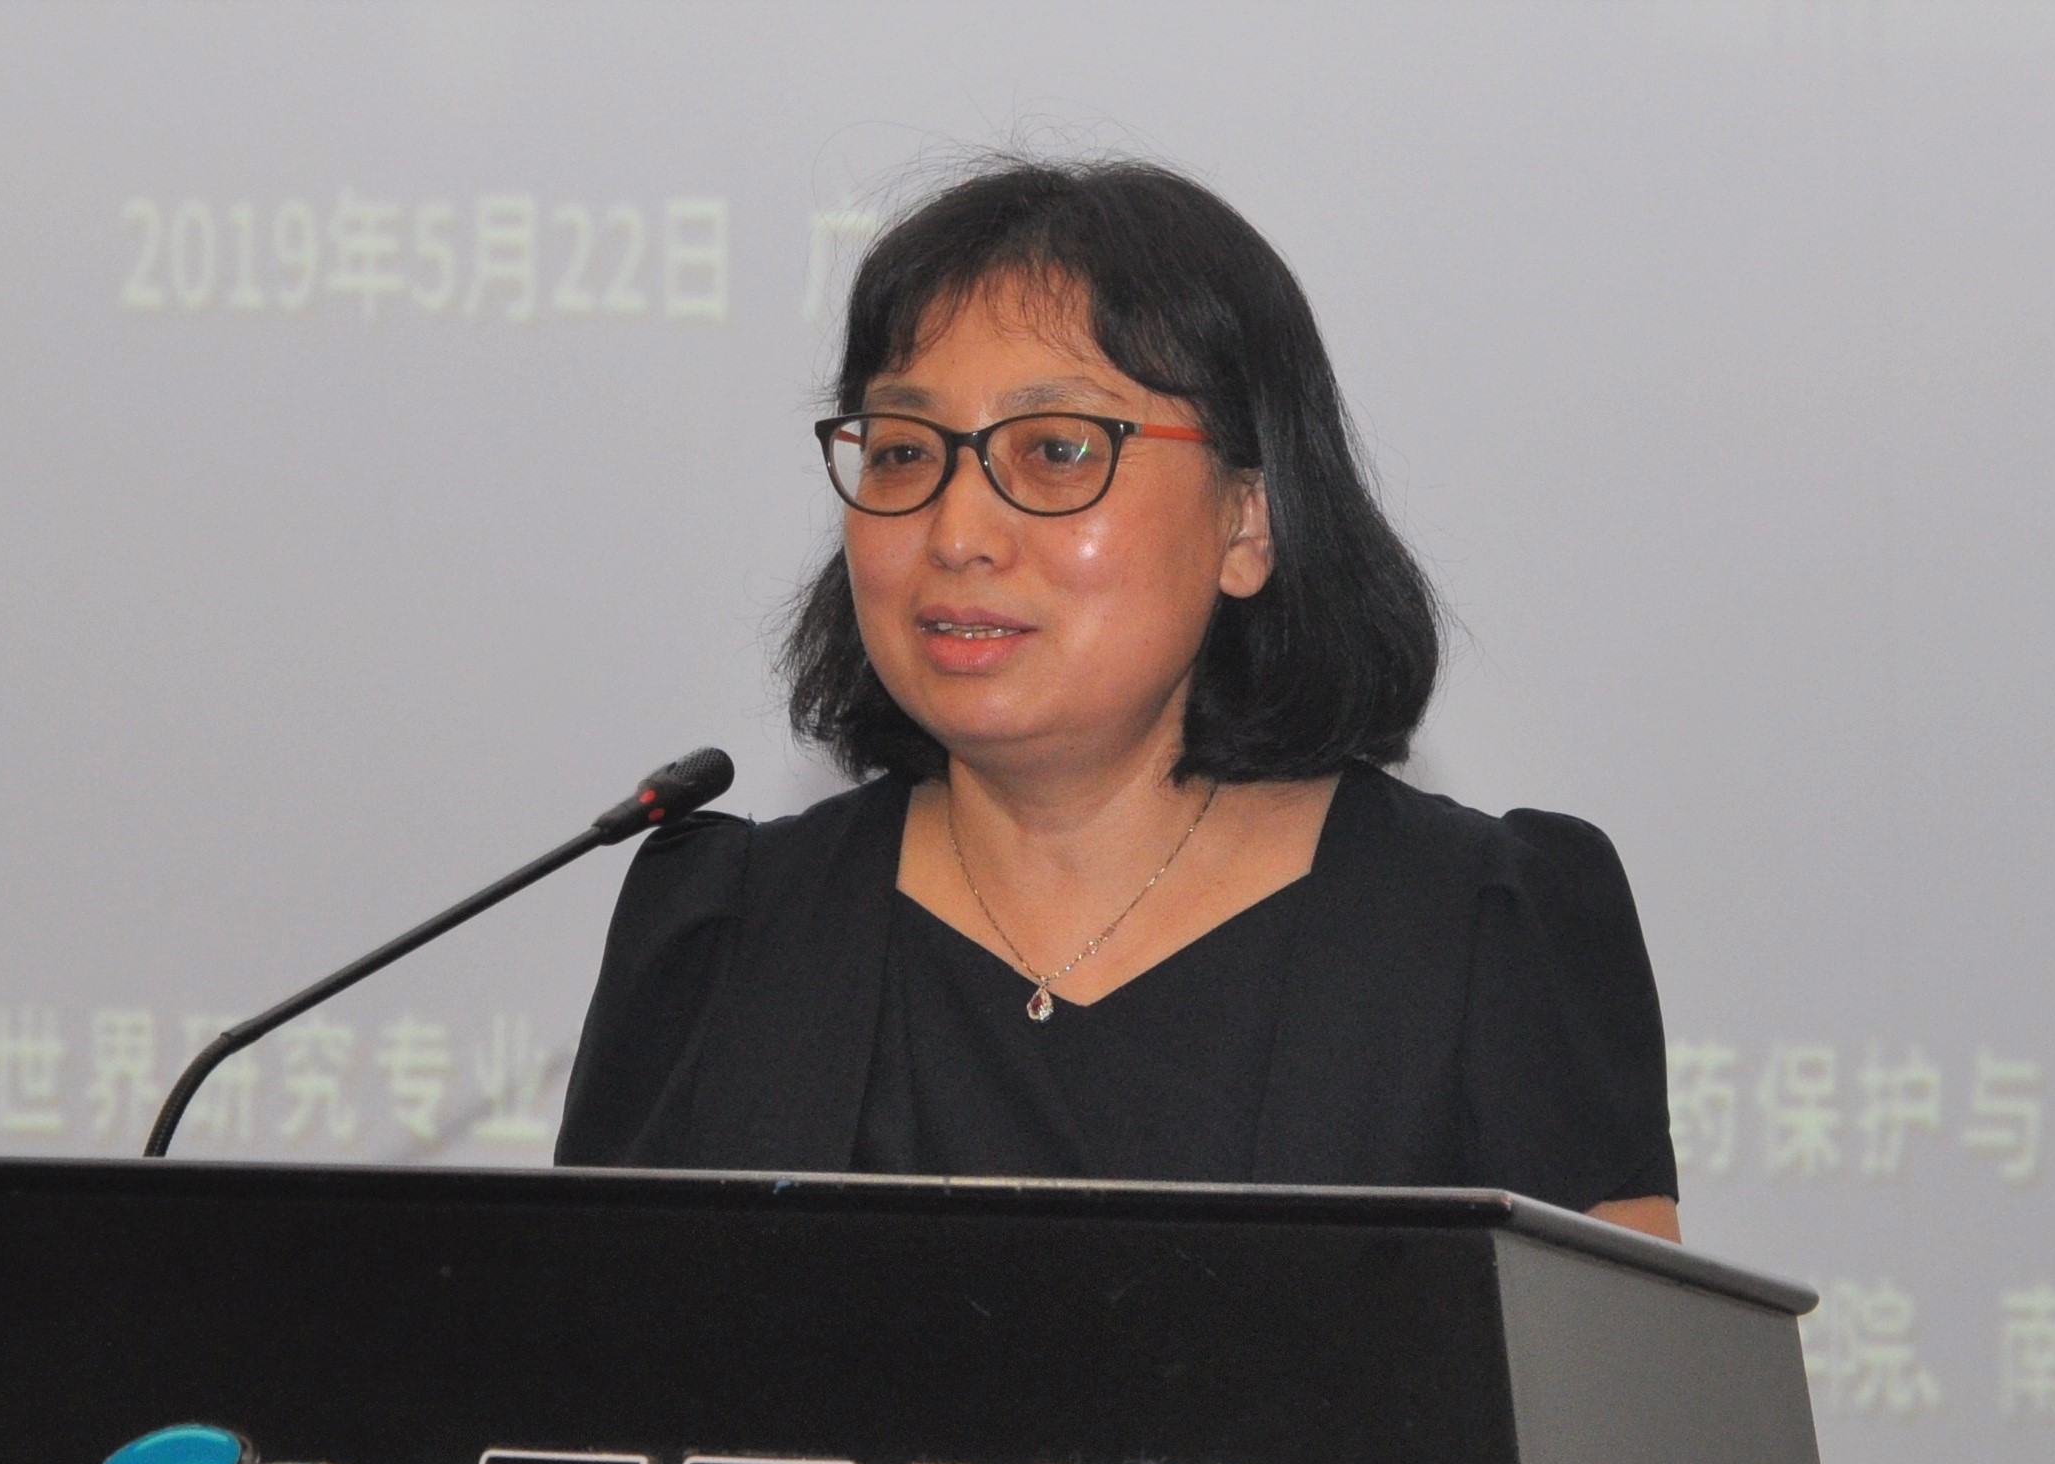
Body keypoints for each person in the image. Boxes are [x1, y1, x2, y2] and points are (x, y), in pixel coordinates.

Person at [556, 156, 1682, 1242]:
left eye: (1055, 450)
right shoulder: (724, 937)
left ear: (1248, 521)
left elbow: (1624, 1379)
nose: (956, 532)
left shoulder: (1482, 931)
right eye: (902, 452)